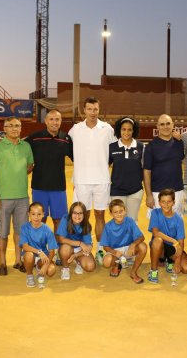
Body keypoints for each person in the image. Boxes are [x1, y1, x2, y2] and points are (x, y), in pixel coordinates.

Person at [68, 97, 116, 259]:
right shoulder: (75, 129)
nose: (93, 112)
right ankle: (84, 249)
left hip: (102, 180)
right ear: (84, 110)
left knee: (100, 215)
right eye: (89, 109)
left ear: (99, 110)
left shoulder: (107, 129)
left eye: (95, 109)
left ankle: (101, 249)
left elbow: (114, 151)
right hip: (82, 181)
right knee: (83, 217)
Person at [0, 117, 34, 276]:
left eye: (17, 126)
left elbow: (29, 166)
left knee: (20, 232)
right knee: (3, 232)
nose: (15, 128)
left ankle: (18, 261)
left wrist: (17, 175)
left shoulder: (26, 146)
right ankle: (2, 263)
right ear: (4, 129)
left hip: (22, 197)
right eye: (11, 126)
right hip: (3, 198)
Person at [25, 109, 73, 230]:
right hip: (39, 186)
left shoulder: (66, 138)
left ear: (61, 121)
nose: (54, 122)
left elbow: (77, 159)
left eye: (57, 119)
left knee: (59, 221)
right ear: (46, 121)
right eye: (51, 119)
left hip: (58, 188)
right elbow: (20, 151)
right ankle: (40, 249)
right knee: (40, 221)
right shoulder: (35, 138)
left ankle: (58, 249)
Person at [147, 189, 187, 284]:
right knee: (158, 240)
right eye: (163, 202)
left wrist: (178, 261)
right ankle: (153, 271)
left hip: (173, 248)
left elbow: (181, 242)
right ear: (159, 202)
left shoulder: (178, 219)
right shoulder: (155, 213)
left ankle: (170, 261)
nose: (166, 205)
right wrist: (173, 241)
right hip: (160, 247)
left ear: (174, 202)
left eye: (169, 202)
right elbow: (156, 233)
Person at [143, 114, 185, 216]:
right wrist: (149, 195)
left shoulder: (179, 143)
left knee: (175, 224)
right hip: (157, 192)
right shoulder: (151, 146)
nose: (165, 127)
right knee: (157, 227)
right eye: (162, 124)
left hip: (177, 192)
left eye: (168, 123)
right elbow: (147, 172)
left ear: (172, 125)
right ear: (157, 126)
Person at [100, 199, 147, 284]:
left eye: (121, 211)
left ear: (125, 211)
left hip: (129, 249)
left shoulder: (130, 221)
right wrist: (114, 252)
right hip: (115, 252)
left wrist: (133, 244)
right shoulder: (108, 226)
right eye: (115, 212)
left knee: (143, 247)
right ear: (111, 214)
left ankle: (133, 272)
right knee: (106, 262)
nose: (119, 214)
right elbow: (105, 246)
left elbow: (142, 237)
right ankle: (116, 265)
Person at [108, 116, 144, 222]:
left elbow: (146, 170)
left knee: (132, 221)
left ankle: (133, 239)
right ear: (119, 130)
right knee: (119, 221)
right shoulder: (112, 147)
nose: (126, 132)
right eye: (124, 129)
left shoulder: (141, 147)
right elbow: (104, 167)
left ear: (134, 131)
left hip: (135, 191)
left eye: (129, 129)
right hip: (117, 191)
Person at [20, 202, 58, 288]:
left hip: (43, 256)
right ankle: (29, 275)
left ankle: (39, 267)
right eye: (33, 214)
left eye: (39, 214)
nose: (36, 217)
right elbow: (25, 246)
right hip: (30, 253)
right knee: (29, 256)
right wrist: (39, 252)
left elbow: (52, 251)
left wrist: (45, 265)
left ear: (43, 215)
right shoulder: (24, 228)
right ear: (29, 214)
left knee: (51, 271)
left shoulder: (47, 230)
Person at [56, 202, 96, 280]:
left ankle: (78, 262)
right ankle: (65, 268)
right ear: (70, 213)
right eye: (75, 213)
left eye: (80, 213)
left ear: (84, 214)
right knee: (65, 249)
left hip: (80, 250)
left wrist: (75, 255)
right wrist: (80, 243)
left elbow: (89, 246)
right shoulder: (65, 219)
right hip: (67, 246)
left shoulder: (86, 225)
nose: (77, 216)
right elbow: (61, 239)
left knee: (90, 266)